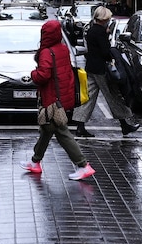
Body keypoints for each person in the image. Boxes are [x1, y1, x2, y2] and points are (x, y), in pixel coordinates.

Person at [19, 20, 96, 181]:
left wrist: (33, 74)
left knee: (60, 131)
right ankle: (35, 161)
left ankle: (83, 165)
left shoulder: (47, 52)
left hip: (51, 98)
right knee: (47, 129)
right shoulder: (62, 48)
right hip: (61, 96)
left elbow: (43, 75)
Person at [72, 6, 140, 138]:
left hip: (91, 67)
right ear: (104, 19)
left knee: (88, 96)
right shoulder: (101, 32)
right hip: (102, 69)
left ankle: (80, 126)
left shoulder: (91, 30)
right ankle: (125, 125)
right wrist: (111, 57)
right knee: (113, 96)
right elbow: (105, 51)